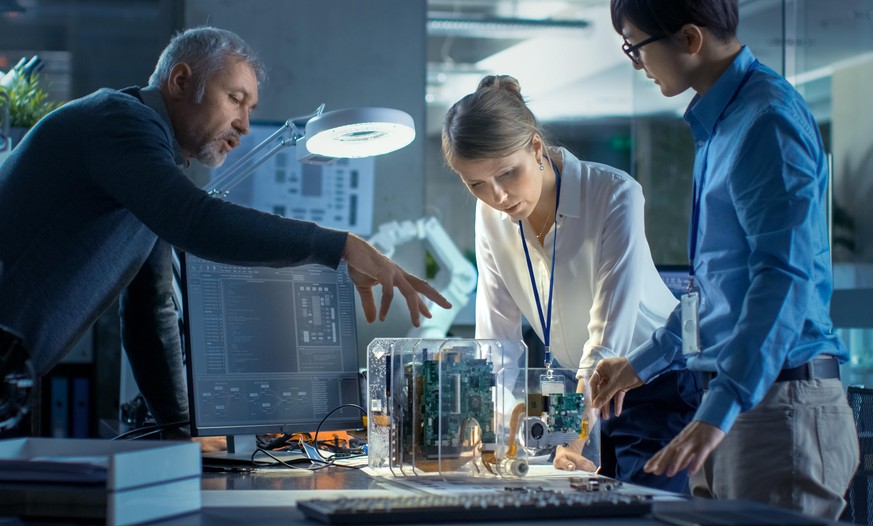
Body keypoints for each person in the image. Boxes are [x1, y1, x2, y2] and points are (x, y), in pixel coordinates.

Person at [0, 26, 450, 438]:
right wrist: (340, 245)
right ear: (180, 82)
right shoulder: (118, 123)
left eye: (251, 108)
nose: (245, 125)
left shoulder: (150, 167)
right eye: (235, 99)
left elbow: (150, 312)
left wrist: (181, 432)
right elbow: (196, 220)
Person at [588, 0, 859, 518]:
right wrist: (641, 365)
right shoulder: (724, 122)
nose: (635, 63)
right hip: (738, 406)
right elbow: (712, 290)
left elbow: (783, 277)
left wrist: (721, 406)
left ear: (690, 39)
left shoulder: (766, 121)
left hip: (777, 410)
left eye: (635, 47)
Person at [441, 74, 701, 493]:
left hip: (650, 380)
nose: (498, 197)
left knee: (647, 513)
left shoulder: (613, 194)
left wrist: (575, 436)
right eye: (476, 185)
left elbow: (605, 342)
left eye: (508, 173)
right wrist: (489, 432)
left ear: (536, 148)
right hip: (571, 386)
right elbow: (496, 342)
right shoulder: (489, 216)